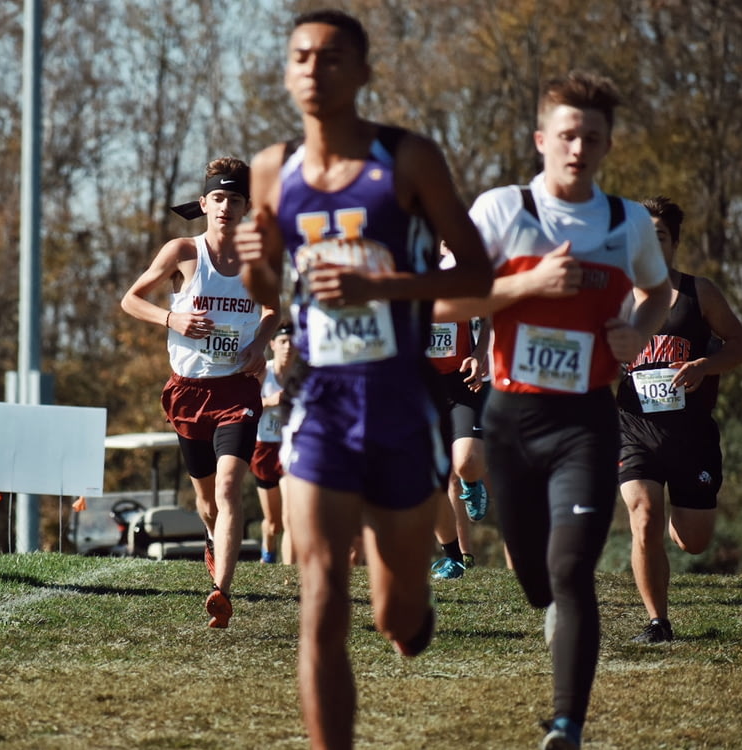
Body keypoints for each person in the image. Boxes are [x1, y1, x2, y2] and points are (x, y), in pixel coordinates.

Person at [236, 10, 492, 748]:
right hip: (321, 404)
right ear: (287, 73)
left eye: (333, 56)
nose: (315, 68)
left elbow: (474, 277)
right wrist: (257, 257)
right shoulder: (269, 169)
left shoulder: (408, 158)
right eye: (301, 56)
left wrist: (379, 290)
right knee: (320, 599)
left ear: (365, 71)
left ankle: (413, 608)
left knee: (396, 620)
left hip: (404, 405)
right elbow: (266, 290)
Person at [435, 71, 672, 750]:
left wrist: (636, 332)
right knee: (537, 579)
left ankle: (566, 723)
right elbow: (446, 306)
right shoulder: (502, 210)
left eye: (591, 137)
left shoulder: (627, 222)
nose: (578, 148)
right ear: (543, 140)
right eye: (567, 135)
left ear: (606, 145)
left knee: (572, 571)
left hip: (585, 425)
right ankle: (549, 607)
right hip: (509, 418)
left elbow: (655, 293)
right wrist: (527, 284)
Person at [121, 156, 280, 629]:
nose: (226, 207)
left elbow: (273, 309)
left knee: (232, 486)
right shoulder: (182, 252)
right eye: (219, 198)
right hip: (189, 392)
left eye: (235, 199)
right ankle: (213, 539)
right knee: (208, 501)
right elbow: (130, 300)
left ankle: (222, 592)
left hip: (238, 390)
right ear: (205, 203)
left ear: (247, 206)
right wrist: (174, 319)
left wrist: (260, 342)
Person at [616, 196, 742, 644]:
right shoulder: (614, 298)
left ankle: (678, 520)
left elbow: (737, 343)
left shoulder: (699, 291)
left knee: (693, 541)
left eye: (660, 235)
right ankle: (658, 622)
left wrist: (706, 366)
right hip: (634, 430)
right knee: (643, 515)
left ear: (673, 242)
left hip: (691, 437)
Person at [427, 248, 492, 580]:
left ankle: (472, 480)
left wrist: (480, 353)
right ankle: (452, 556)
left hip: (460, 380)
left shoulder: (463, 268)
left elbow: (489, 313)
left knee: (465, 461)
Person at [251, 322, 296, 564]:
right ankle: (267, 554)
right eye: (283, 342)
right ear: (272, 344)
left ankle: (290, 576)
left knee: (291, 519)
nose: (288, 347)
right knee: (275, 523)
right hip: (264, 449)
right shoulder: (263, 372)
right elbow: (243, 408)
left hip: (292, 449)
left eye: (292, 341)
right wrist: (269, 401)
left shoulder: (303, 374)